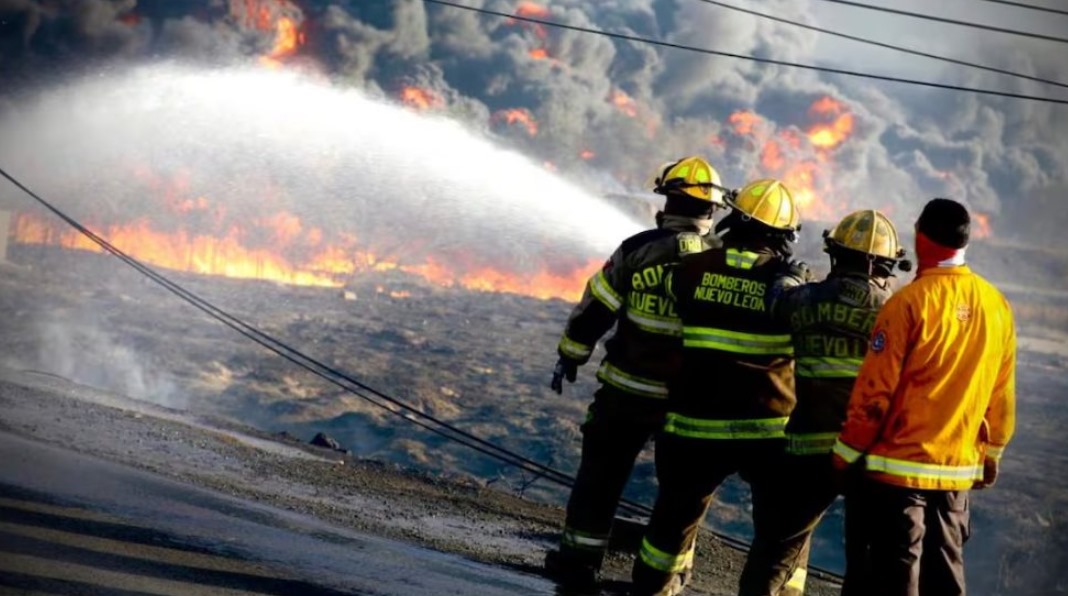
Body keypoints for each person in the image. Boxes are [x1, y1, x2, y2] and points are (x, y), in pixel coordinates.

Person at [545, 156, 727, 592]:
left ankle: (577, 564)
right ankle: (662, 580)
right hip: (685, 402)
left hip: (625, 391)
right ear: (713, 211)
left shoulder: (638, 248)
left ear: (666, 203)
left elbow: (596, 307)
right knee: (679, 498)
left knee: (599, 480)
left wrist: (571, 354)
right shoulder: (721, 264)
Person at [832, 198, 1017, 596]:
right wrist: (992, 453)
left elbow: (875, 396)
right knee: (946, 574)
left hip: (896, 472)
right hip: (956, 473)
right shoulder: (996, 306)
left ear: (920, 237)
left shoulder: (906, 304)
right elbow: (1001, 394)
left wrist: (845, 453)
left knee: (894, 576)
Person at [630, 178, 806, 596]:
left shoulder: (691, 270)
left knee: (674, 515)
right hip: (767, 431)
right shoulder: (789, 288)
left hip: (695, 422)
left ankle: (653, 586)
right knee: (782, 527)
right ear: (783, 236)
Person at [752, 210, 911, 595]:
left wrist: (789, 274)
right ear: (878, 263)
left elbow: (776, 304)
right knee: (866, 561)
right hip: (868, 456)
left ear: (834, 254)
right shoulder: (896, 312)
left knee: (776, 548)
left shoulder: (806, 299)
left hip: (807, 448)